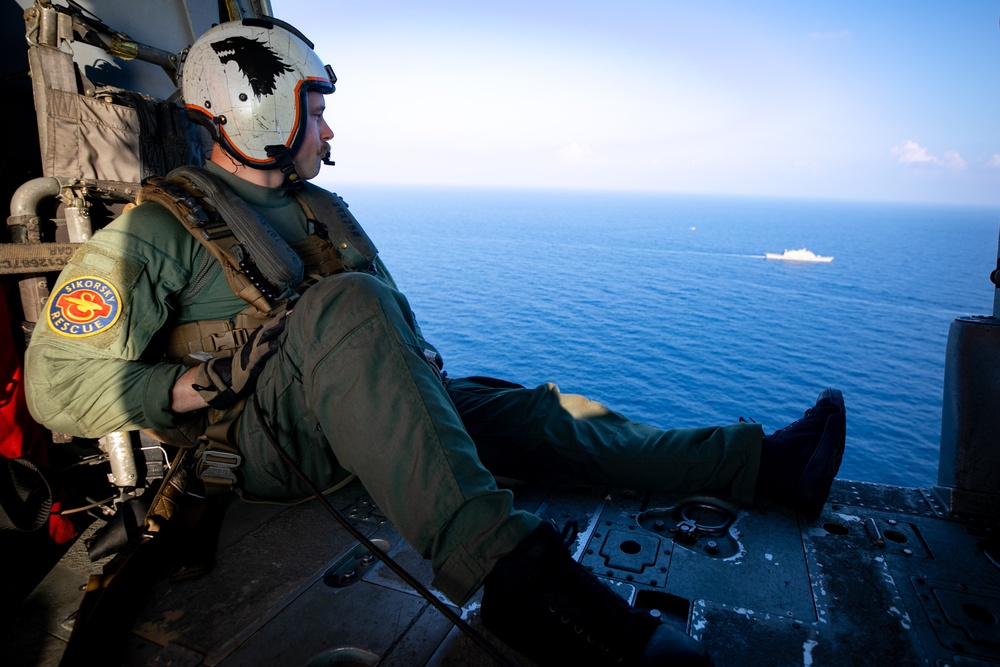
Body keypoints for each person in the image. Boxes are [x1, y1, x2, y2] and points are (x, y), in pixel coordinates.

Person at [24, 17, 846, 667]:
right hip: (264, 449)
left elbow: (389, 328)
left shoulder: (323, 212)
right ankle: (524, 583)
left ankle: (758, 463)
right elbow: (52, 389)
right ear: (259, 108)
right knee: (348, 302)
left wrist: (423, 376)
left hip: (344, 417)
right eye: (315, 106)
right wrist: (197, 384)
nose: (329, 130)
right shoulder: (150, 235)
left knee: (529, 410)